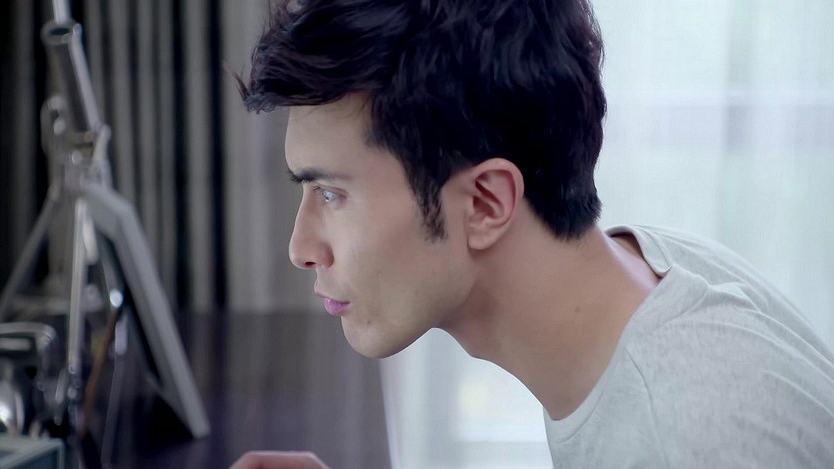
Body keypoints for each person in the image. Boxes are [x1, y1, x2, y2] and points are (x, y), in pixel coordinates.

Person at [230, 0, 834, 467]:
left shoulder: (687, 441)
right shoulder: (649, 273)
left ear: (487, 203)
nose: (301, 249)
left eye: (331, 194)